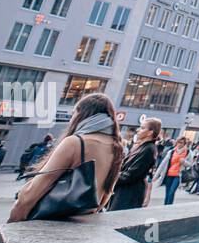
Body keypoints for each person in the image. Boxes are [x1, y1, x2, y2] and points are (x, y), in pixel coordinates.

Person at [8, 93, 124, 222]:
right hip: (85, 221)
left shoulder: (75, 142)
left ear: (82, 114)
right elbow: (108, 192)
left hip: (53, 220)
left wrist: (15, 219)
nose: (71, 118)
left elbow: (35, 189)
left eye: (73, 113)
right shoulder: (117, 146)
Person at [109, 118, 163, 211]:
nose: (138, 130)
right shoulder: (142, 146)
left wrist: (109, 177)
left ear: (150, 132)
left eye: (142, 128)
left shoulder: (149, 149)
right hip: (124, 191)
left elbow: (131, 175)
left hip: (129, 194)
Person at [155, 136, 190, 205]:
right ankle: (165, 206)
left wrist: (184, 162)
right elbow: (163, 164)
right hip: (169, 174)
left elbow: (190, 164)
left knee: (171, 192)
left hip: (178, 175)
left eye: (181, 143)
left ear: (184, 144)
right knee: (167, 193)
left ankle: (168, 207)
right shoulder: (171, 151)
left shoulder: (188, 152)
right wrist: (156, 176)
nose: (179, 144)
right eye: (178, 142)